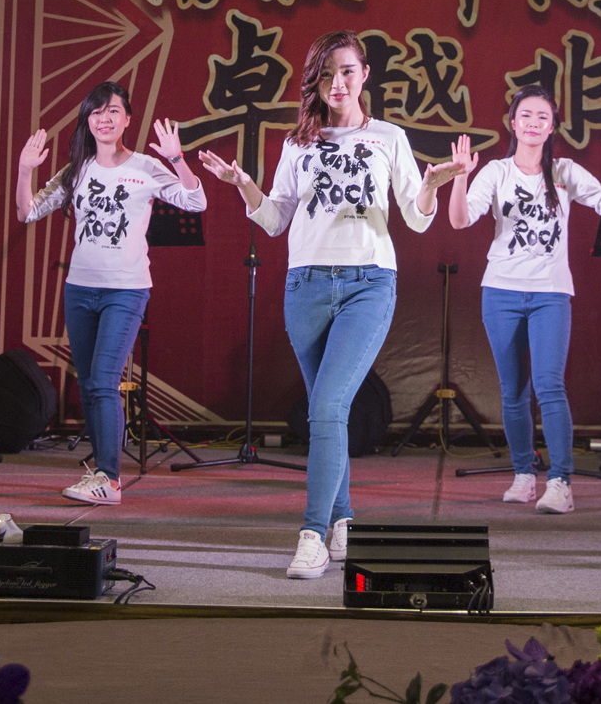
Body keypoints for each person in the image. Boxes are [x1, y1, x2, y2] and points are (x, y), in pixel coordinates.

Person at [199, 29, 464, 579]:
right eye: (326, 75)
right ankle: (343, 519)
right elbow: (275, 219)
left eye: (346, 71)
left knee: (325, 406)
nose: (337, 83)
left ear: (364, 74)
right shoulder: (298, 143)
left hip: (369, 283)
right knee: (329, 413)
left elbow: (416, 218)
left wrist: (433, 184)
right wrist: (242, 183)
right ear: (314, 83)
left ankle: (312, 534)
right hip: (306, 286)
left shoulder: (389, 137)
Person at [444, 84, 601, 516]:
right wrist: (460, 176)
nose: (533, 123)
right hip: (501, 291)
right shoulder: (495, 172)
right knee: (513, 390)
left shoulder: (564, 171)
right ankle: (523, 474)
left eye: (542, 117)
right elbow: (459, 220)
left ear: (552, 128)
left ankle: (561, 481)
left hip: (550, 292)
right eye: (526, 115)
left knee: (549, 385)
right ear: (513, 123)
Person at [17, 81, 204, 506]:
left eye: (113, 111)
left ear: (127, 119)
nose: (104, 118)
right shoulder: (77, 170)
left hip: (126, 290)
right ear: (88, 119)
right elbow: (28, 211)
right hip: (80, 289)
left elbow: (195, 201)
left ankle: (109, 478)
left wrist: (176, 159)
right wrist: (25, 170)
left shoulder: (145, 166)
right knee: (89, 384)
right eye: (97, 111)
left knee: (103, 381)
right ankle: (102, 472)